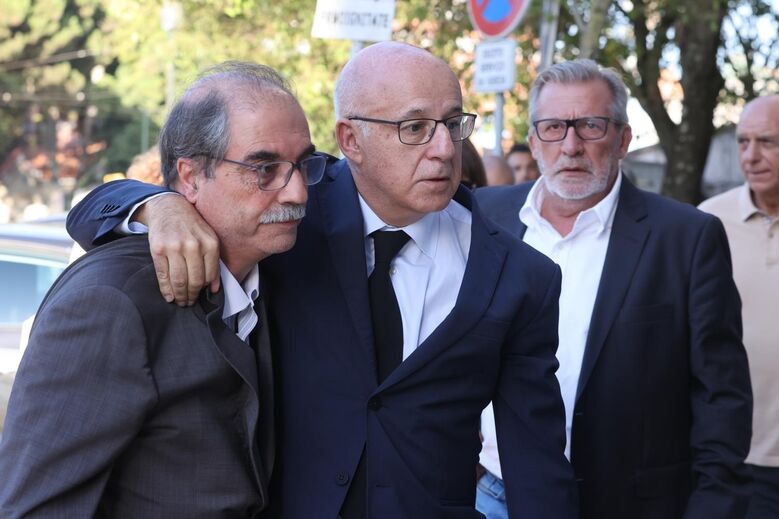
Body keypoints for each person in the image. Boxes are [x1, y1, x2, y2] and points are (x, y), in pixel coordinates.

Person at [66, 42, 577, 518]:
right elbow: (92, 210)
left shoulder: (521, 277)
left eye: (452, 123)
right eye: (415, 127)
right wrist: (158, 205)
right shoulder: (288, 212)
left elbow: (536, 462)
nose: (444, 148)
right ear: (350, 139)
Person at [0, 61, 326, 516]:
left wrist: (152, 202)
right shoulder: (111, 302)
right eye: (264, 168)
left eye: (303, 165)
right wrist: (156, 202)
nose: (298, 193)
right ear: (190, 177)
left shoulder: (272, 263)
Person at [475, 59, 753, 519]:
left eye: (590, 125)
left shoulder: (686, 238)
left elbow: (721, 398)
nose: (570, 146)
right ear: (534, 140)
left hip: (626, 503)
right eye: (553, 127)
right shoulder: (485, 218)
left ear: (623, 139)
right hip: (493, 495)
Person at [699, 94, 779, 519]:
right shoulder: (707, 223)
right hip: (736, 457)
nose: (750, 156)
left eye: (767, 141)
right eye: (743, 141)